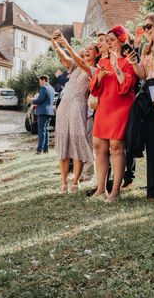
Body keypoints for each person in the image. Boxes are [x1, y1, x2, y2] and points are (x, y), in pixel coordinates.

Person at [89, 25, 137, 202]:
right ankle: (101, 188)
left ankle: (115, 190)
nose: (107, 43)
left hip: (121, 107)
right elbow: (93, 88)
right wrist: (100, 77)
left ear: (121, 40)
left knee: (116, 147)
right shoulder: (102, 62)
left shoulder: (128, 60)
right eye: (106, 40)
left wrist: (116, 66)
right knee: (98, 145)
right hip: (104, 107)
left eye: (111, 40)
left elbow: (126, 87)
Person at [127, 13, 154, 200]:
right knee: (153, 143)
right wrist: (133, 62)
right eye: (144, 27)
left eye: (149, 27)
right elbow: (143, 75)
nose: (146, 31)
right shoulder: (146, 48)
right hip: (149, 95)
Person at [52, 34, 99, 193]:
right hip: (64, 106)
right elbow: (66, 59)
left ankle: (76, 181)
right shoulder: (75, 67)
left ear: (97, 54)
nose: (86, 51)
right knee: (64, 142)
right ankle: (64, 182)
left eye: (91, 49)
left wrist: (66, 43)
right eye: (86, 49)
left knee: (77, 142)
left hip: (78, 105)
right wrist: (56, 46)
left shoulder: (92, 70)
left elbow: (76, 58)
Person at [32, 75, 56, 154]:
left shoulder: (44, 88)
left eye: (40, 81)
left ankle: (40, 150)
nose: (39, 83)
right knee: (46, 130)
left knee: (41, 131)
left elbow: (40, 100)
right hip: (49, 112)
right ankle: (46, 149)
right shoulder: (52, 88)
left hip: (42, 112)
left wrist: (32, 100)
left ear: (43, 80)